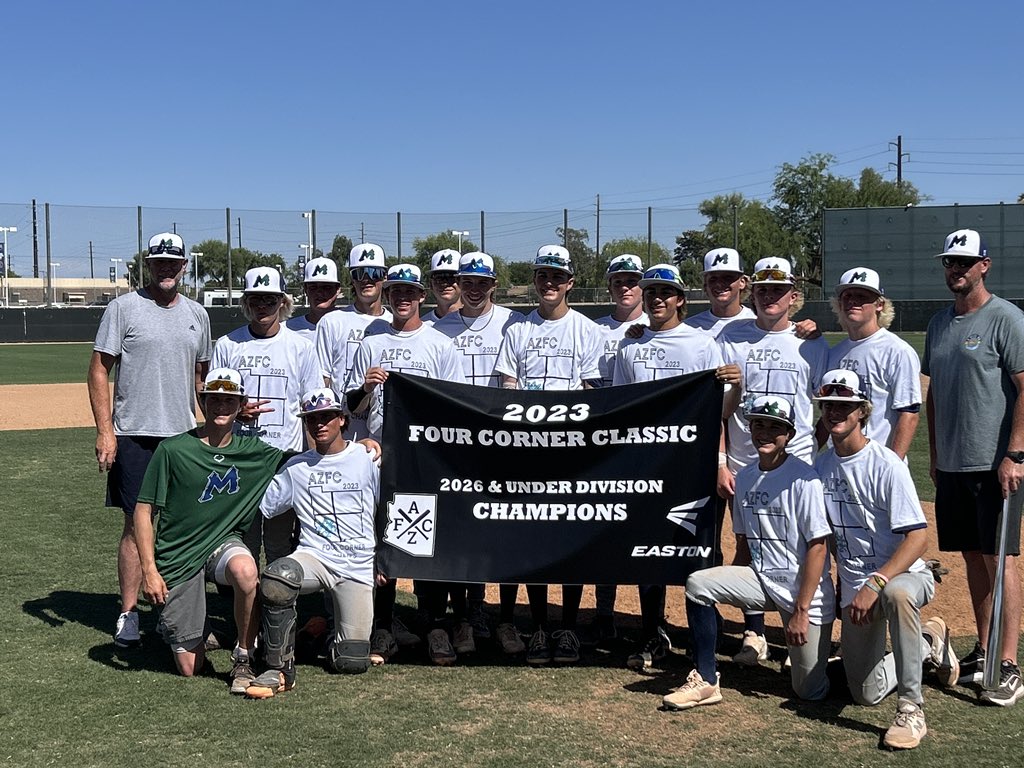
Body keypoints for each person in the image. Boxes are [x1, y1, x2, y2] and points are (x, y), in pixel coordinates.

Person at [814, 369, 958, 749]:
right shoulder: (820, 467)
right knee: (864, 692)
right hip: (855, 587)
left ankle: (911, 709)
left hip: (903, 575)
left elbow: (919, 537)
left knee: (897, 594)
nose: (835, 412)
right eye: (828, 405)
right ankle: (929, 640)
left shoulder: (886, 464)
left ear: (863, 411)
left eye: (845, 405)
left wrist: (875, 582)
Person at [663, 395, 834, 711]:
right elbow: (743, 546)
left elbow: (818, 548)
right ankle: (705, 680)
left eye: (775, 427)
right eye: (759, 425)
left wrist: (801, 609)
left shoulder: (805, 478)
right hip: (762, 580)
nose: (765, 433)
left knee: (807, 689)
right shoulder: (746, 478)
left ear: (790, 435)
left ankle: (841, 664)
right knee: (699, 584)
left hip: (803, 593)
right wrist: (728, 587)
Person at [88, 231, 212, 648]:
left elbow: (201, 380)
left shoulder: (198, 314)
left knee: (181, 526)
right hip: (134, 435)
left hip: (182, 436)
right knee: (133, 525)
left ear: (183, 266)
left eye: (173, 262)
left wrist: (214, 424)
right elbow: (99, 369)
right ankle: (128, 613)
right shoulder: (123, 308)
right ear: (149, 265)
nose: (166, 268)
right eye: (158, 261)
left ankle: (175, 611)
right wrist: (106, 430)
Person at [611, 263, 737, 669]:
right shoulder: (629, 346)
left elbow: (719, 411)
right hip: (644, 466)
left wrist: (737, 386)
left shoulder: (701, 344)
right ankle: (653, 633)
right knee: (647, 551)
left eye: (666, 292)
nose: (657, 299)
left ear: (681, 299)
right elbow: (619, 409)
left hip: (692, 466)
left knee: (701, 550)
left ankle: (704, 635)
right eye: (651, 293)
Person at [345, 263, 467, 666]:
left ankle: (433, 626)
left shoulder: (439, 344)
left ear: (421, 298)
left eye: (409, 292)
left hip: (424, 457)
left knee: (422, 538)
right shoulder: (371, 340)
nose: (402, 298)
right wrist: (364, 387)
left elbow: (454, 407)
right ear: (387, 295)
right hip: (381, 455)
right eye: (395, 291)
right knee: (381, 542)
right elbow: (352, 409)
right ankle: (383, 625)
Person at [923, 228, 1024, 706]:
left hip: (995, 464)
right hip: (955, 466)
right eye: (949, 262)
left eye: (965, 262)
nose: (956, 270)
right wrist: (937, 455)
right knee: (970, 558)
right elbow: (934, 395)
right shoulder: (940, 323)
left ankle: (1008, 663)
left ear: (985, 264)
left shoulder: (1006, 318)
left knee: (999, 559)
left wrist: (1015, 453)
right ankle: (983, 650)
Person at [133, 368, 279, 693]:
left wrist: (360, 445)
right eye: (215, 399)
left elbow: (306, 460)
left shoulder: (255, 453)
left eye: (230, 400)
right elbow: (144, 512)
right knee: (190, 668)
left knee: (245, 570)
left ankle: (243, 656)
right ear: (203, 402)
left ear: (241, 405)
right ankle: (190, 627)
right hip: (179, 554)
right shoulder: (173, 450)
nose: (221, 406)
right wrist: (149, 571)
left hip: (221, 545)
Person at [716, 256, 829, 665]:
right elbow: (721, 408)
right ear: (752, 292)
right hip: (745, 466)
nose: (769, 296)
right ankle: (754, 631)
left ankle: (797, 624)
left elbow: (826, 406)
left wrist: (809, 450)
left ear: (793, 296)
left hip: (796, 468)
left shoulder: (810, 343)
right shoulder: (732, 336)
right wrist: (723, 461)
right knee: (749, 544)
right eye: (762, 289)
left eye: (778, 290)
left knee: (798, 546)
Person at [494, 245, 603, 665]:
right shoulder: (518, 330)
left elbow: (594, 394)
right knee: (533, 540)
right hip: (526, 453)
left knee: (569, 540)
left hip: (571, 453)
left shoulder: (585, 330)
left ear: (570, 282)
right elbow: (507, 388)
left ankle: (568, 628)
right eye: (543, 275)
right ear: (535, 281)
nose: (550, 283)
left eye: (558, 276)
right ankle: (539, 627)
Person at [246, 387, 380, 698]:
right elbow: (263, 505)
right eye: (312, 419)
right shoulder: (296, 467)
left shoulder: (366, 457)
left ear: (342, 420)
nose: (319, 424)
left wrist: (383, 558)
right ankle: (278, 665)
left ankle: (312, 635)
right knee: (279, 579)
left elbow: (388, 508)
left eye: (326, 417)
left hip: (357, 564)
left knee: (350, 663)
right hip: (314, 557)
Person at [433, 252, 526, 653]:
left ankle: (500, 616)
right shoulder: (439, 327)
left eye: (481, 282)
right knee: (456, 533)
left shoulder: (512, 324)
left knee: (504, 532)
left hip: (501, 444)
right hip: (455, 445)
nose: (473, 289)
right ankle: (463, 616)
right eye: (466, 282)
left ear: (493, 285)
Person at [211, 266, 322, 566]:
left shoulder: (301, 347)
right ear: (246, 303)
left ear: (283, 303)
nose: (263, 307)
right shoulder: (228, 345)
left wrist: (313, 462)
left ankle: (277, 609)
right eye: (256, 299)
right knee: (242, 541)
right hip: (240, 459)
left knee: (278, 543)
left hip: (283, 459)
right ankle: (246, 610)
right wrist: (236, 412)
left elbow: (311, 408)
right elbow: (213, 405)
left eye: (270, 300)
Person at [585, 253, 648, 646]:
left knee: (646, 532)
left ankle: (650, 622)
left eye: (632, 280)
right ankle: (604, 613)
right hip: (602, 446)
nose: (625, 287)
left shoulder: (659, 328)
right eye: (618, 281)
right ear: (609, 286)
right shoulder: (597, 330)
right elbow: (590, 383)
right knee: (602, 530)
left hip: (647, 448)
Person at [824, 267, 921, 458]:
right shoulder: (834, 353)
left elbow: (908, 414)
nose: (853, 301)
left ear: (879, 305)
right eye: (847, 295)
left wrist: (893, 465)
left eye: (862, 296)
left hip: (877, 460)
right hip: (838, 461)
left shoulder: (897, 351)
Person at [315, 243, 393, 441]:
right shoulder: (331, 322)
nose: (366, 280)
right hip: (343, 424)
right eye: (359, 273)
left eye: (373, 273)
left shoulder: (394, 322)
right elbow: (322, 378)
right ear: (351, 278)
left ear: (384, 277)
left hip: (380, 425)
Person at [285, 257, 343, 342]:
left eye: (326, 287)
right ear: (305, 289)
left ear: (337, 290)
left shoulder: (349, 326)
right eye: (313, 287)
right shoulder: (288, 329)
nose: (319, 292)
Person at [421, 248, 462, 326]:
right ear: (431, 284)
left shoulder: (476, 323)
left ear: (463, 282)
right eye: (439, 278)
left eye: (451, 277)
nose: (445, 283)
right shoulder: (423, 326)